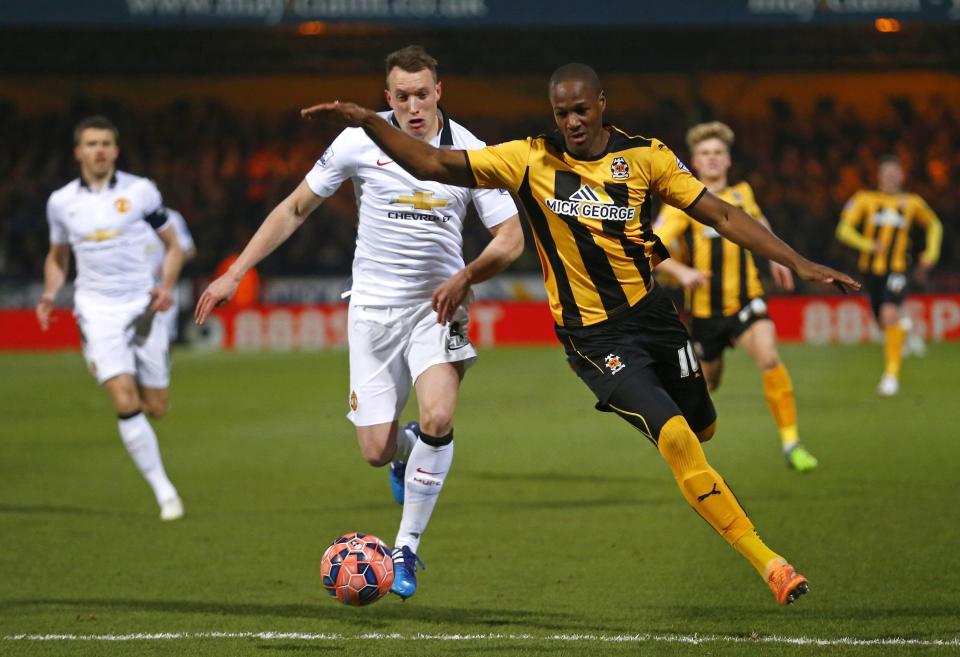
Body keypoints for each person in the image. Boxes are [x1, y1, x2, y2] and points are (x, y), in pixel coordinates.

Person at [299, 63, 860, 605]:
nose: (571, 122)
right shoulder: (527, 159)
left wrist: (802, 263)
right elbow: (433, 163)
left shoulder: (646, 157)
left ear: (601, 106)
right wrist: (367, 121)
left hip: (657, 320)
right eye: (561, 112)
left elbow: (723, 216)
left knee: (703, 428)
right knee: (675, 438)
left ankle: (714, 471)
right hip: (594, 340)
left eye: (581, 110)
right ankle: (771, 563)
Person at [195, 46, 522, 600]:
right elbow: (295, 208)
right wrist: (234, 272)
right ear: (386, 97)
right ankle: (407, 449)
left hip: (437, 307)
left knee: (439, 414)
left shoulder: (470, 151)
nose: (414, 106)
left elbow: (511, 239)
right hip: (371, 310)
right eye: (402, 96)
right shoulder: (356, 142)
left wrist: (466, 277)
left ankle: (406, 550)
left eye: (423, 94)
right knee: (376, 450)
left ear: (438, 91)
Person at [36, 115, 185, 521]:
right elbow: (57, 257)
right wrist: (51, 292)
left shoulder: (141, 191)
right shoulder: (62, 202)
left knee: (156, 406)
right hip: (96, 309)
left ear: (115, 150)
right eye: (91, 143)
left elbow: (173, 247)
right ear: (78, 152)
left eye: (105, 143)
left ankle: (133, 372)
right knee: (124, 399)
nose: (98, 150)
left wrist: (166, 285)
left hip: (142, 305)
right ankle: (165, 492)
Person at [653, 121, 818, 472]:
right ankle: (687, 454)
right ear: (694, 162)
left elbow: (760, 224)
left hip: (747, 299)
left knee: (769, 357)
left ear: (728, 160)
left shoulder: (743, 193)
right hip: (704, 312)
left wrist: (781, 258)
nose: (712, 160)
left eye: (718, 153)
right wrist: (682, 272)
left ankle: (792, 443)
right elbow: (651, 245)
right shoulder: (682, 201)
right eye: (705, 154)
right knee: (708, 382)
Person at [836, 154, 942, 396]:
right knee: (882, 321)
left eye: (896, 173)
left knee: (888, 312)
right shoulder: (864, 199)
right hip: (870, 271)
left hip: (897, 269)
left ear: (902, 177)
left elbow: (934, 224)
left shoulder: (912, 202)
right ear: (880, 176)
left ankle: (890, 377)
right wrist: (867, 244)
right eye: (887, 173)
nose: (892, 178)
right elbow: (843, 230)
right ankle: (903, 330)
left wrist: (931, 253)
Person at [145, 207, 196, 341]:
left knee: (164, 336)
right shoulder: (125, 216)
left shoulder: (171, 217)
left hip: (164, 284)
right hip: (133, 286)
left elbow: (189, 250)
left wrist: (169, 265)